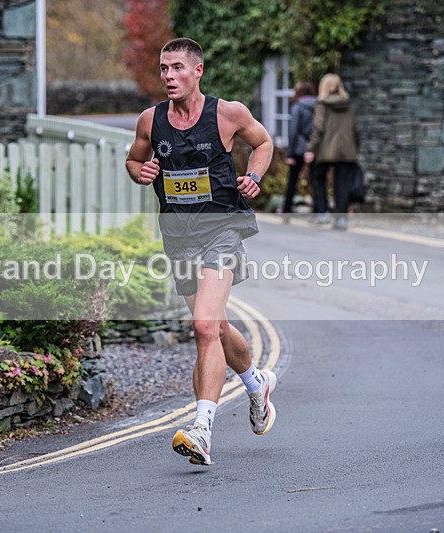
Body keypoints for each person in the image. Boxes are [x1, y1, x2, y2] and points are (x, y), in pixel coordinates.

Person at [125, 38, 277, 466]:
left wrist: (253, 176)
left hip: (221, 229)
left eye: (177, 67)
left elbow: (263, 143)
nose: (168, 76)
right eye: (163, 68)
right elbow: (134, 161)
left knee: (204, 326)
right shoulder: (151, 120)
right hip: (178, 235)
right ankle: (257, 384)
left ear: (198, 71)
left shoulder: (228, 113)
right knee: (217, 327)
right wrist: (142, 171)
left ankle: (202, 430)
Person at [304, 73, 360, 230]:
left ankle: (323, 212)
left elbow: (318, 128)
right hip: (347, 150)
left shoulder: (322, 104)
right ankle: (341, 219)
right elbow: (356, 129)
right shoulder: (348, 104)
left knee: (317, 179)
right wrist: (356, 148)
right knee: (342, 185)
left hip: (325, 150)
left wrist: (310, 149)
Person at [282, 81, 317, 221]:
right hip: (315, 148)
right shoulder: (320, 106)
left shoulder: (297, 106)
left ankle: (286, 212)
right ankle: (317, 213)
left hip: (298, 149)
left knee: (292, 181)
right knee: (316, 182)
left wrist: (290, 153)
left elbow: (293, 131)